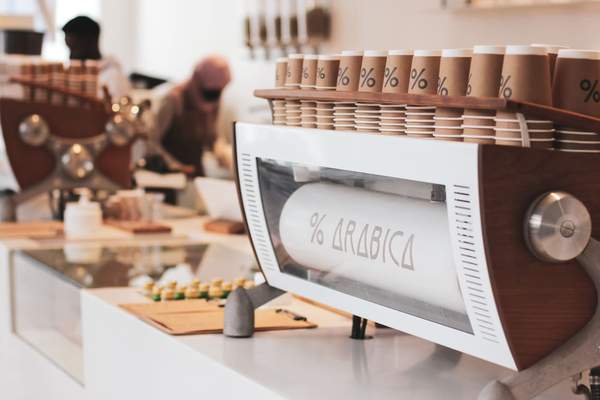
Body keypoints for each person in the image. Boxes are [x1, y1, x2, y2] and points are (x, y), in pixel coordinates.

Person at [152, 56, 231, 177]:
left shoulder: (214, 102)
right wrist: (174, 165)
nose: (213, 97)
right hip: (168, 175)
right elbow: (152, 141)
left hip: (196, 173)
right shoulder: (174, 100)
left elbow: (212, 136)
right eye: (210, 92)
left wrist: (221, 153)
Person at [62, 15, 130, 99]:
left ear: (90, 41)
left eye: (74, 49)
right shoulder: (75, 74)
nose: (70, 56)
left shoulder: (113, 77)